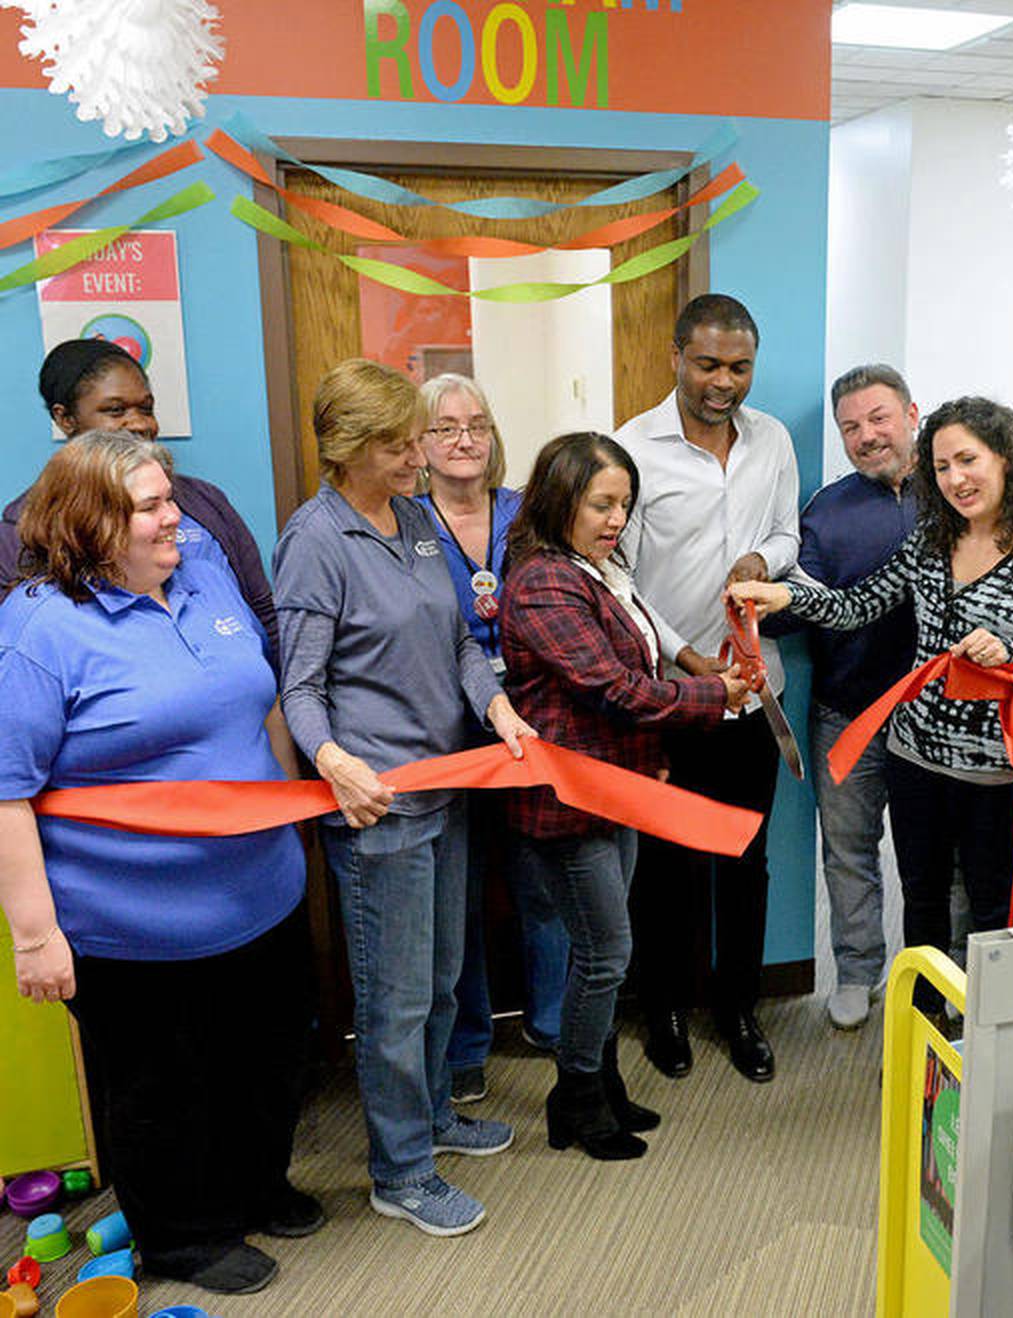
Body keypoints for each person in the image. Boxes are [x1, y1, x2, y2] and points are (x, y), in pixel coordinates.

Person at [0, 431, 316, 1295]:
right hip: (131, 923)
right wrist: (37, 937)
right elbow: (7, 793)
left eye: (168, 496)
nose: (177, 516)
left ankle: (256, 1187)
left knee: (266, 1058)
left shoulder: (204, 568)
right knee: (160, 1087)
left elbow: (260, 702)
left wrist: (292, 808)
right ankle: (183, 1239)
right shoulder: (38, 630)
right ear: (91, 523)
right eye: (150, 506)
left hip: (262, 889)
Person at [273, 358, 536, 1238]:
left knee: (442, 979)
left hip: (447, 787)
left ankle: (433, 1119)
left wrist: (496, 708)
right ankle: (402, 1171)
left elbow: (461, 639)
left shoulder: (418, 516)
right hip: (378, 806)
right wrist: (332, 762)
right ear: (350, 448)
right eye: (399, 445)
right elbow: (300, 685)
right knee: (394, 1001)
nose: (420, 457)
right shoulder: (315, 540)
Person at [731, 396, 1013, 1004]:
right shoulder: (931, 538)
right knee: (921, 899)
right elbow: (857, 606)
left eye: (967, 460)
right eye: (941, 467)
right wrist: (787, 597)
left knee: (988, 907)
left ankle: (978, 1026)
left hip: (994, 771)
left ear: (1005, 457)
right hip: (914, 754)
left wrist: (1010, 655)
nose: (955, 479)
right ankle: (919, 1021)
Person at [499, 433, 746, 1159]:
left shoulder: (598, 569)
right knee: (606, 953)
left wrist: (655, 758)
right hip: (570, 802)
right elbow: (612, 688)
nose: (616, 520)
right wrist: (714, 696)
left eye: (625, 505)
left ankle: (600, 1082)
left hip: (620, 787)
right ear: (559, 500)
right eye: (601, 504)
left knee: (604, 951)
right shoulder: (543, 581)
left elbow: (637, 673)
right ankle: (576, 1099)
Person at [614, 294, 799, 1084]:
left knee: (746, 862)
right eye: (709, 364)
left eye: (740, 367)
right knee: (666, 867)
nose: (724, 382)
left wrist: (763, 561)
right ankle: (665, 1008)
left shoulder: (773, 440)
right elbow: (617, 578)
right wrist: (687, 659)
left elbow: (788, 533)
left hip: (754, 693)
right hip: (671, 697)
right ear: (676, 358)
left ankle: (739, 1010)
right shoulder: (630, 448)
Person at [416, 373, 569, 1107]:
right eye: (445, 427)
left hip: (535, 719)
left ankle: (553, 1021)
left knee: (545, 879)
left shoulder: (525, 513)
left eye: (476, 423)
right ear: (418, 442)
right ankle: (466, 1045)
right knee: (462, 895)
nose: (464, 439)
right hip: (448, 725)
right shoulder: (406, 522)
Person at [0, 338, 278, 669]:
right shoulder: (25, 528)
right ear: (65, 418)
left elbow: (263, 614)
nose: (139, 423)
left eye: (146, 409)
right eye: (115, 410)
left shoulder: (205, 503)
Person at [800, 364, 920, 1030]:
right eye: (850, 427)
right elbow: (807, 604)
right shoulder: (827, 509)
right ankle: (855, 972)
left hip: (934, 718)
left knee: (936, 859)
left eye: (879, 418)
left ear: (911, 414)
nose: (867, 436)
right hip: (846, 712)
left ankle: (941, 972)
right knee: (848, 852)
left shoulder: (957, 492)